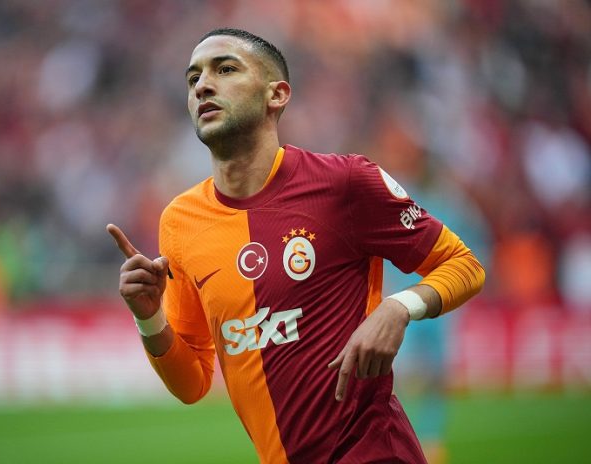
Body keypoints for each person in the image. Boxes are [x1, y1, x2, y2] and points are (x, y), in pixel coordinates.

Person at [107, 28, 485, 464]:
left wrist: (398, 308)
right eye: (193, 78)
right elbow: (191, 384)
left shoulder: (345, 183)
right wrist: (148, 316)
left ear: (277, 95)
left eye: (225, 69)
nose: (203, 86)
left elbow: (465, 264)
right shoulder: (180, 222)